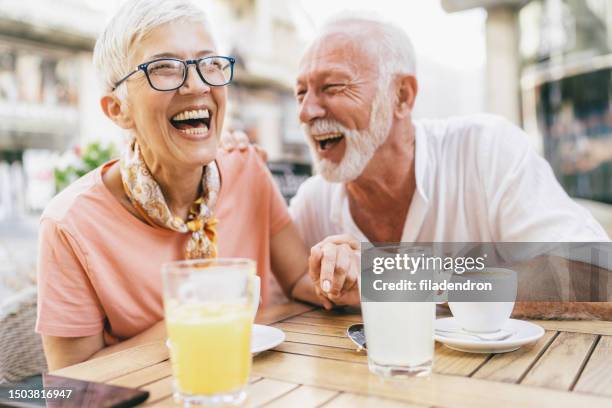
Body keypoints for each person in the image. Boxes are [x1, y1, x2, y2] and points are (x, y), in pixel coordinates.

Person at [227, 15, 611, 317]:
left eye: (332, 87)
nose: (307, 112)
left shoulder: (486, 149)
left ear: (402, 96)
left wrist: (397, 280)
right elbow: (271, 300)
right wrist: (225, 170)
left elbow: (596, 275)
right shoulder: (313, 201)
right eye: (300, 93)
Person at [35, 0, 321, 371]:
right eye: (165, 68)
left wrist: (348, 275)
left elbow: (301, 278)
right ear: (116, 109)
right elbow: (73, 381)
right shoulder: (69, 225)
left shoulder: (247, 170)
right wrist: (201, 315)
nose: (197, 84)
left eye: (209, 63)